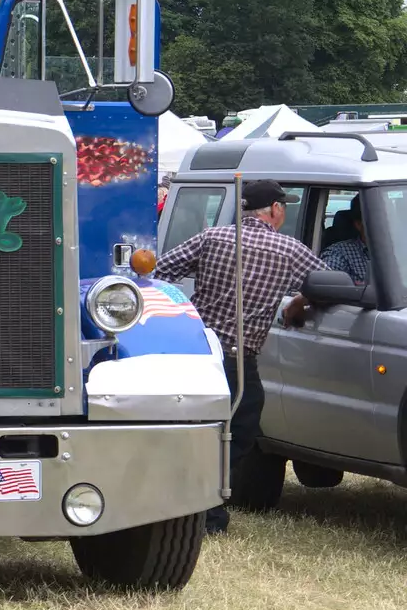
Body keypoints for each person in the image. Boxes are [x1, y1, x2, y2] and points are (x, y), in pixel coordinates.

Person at [153, 179, 325, 535]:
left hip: (197, 352)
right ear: (275, 210)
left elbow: (160, 273)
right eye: (284, 207)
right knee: (237, 433)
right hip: (237, 361)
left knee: (195, 431)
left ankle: (180, 503)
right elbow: (325, 285)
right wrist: (298, 303)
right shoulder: (288, 249)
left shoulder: (211, 237)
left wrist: (185, 314)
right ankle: (206, 512)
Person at [320, 196, 371, 284]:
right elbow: (327, 284)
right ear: (359, 224)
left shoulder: (399, 249)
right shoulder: (339, 253)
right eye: (378, 220)